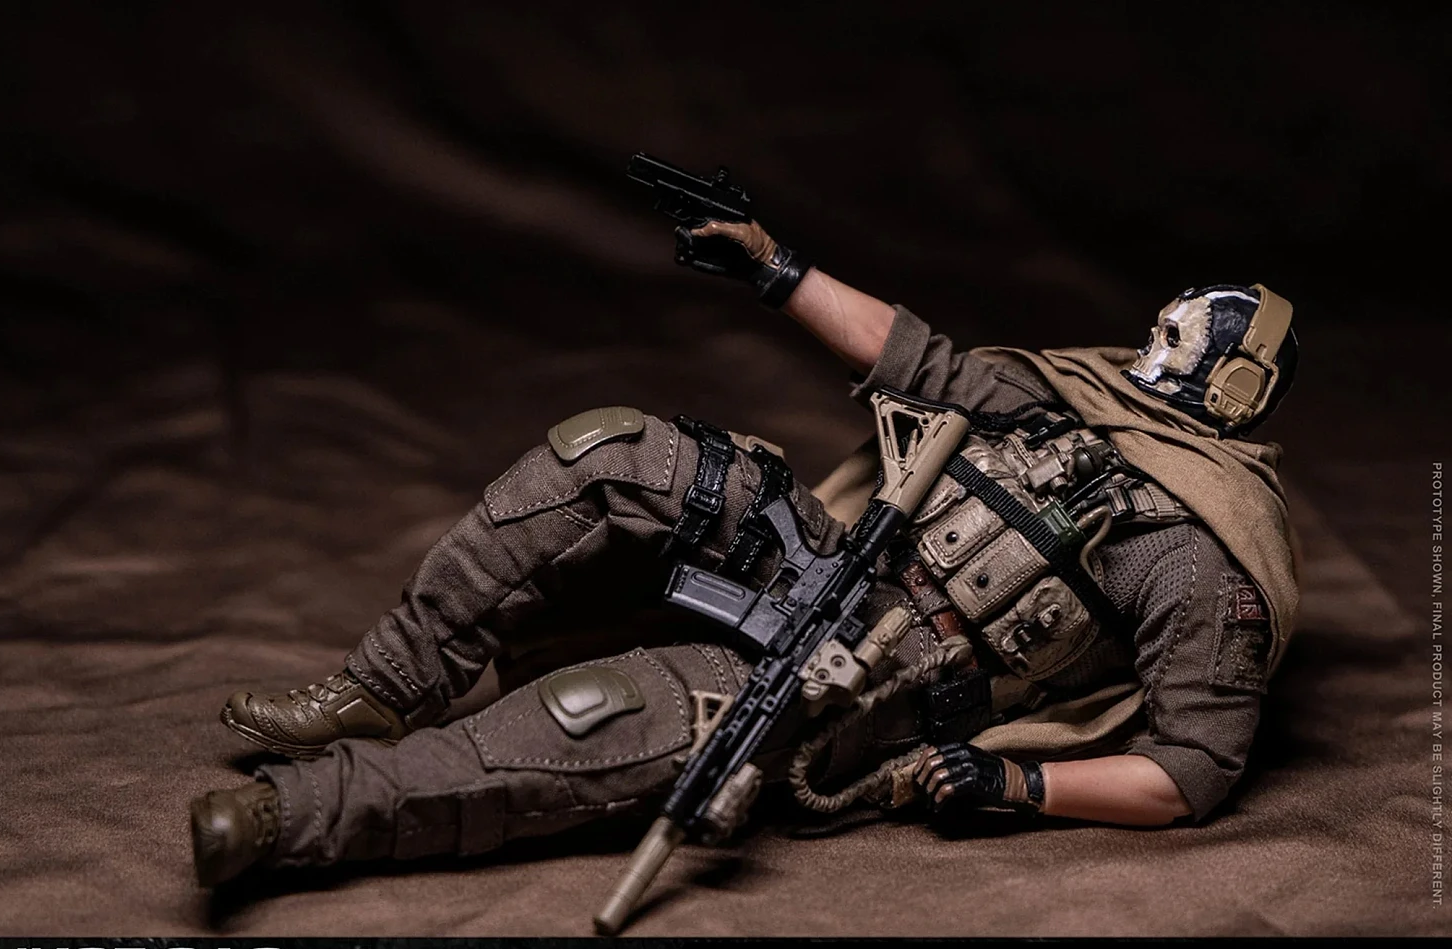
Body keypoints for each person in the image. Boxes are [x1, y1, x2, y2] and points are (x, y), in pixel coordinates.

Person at [190, 216, 1300, 896]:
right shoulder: (1071, 398)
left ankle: (299, 815)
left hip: (873, 675)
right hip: (827, 550)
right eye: (1159, 324)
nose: (1147, 343)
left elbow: (1190, 772)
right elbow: (914, 360)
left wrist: (1017, 781)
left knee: (601, 715)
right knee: (611, 451)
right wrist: (776, 266)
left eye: (1175, 338)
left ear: (1233, 383)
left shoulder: (1198, 559)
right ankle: (382, 685)